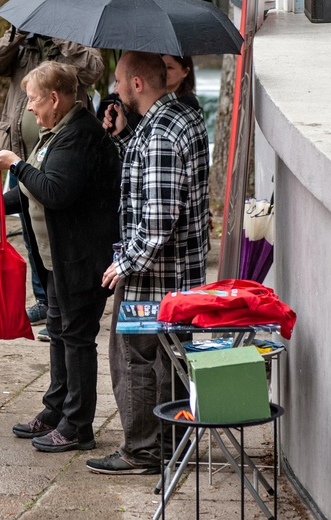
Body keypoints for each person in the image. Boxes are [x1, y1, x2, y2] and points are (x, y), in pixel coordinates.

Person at [0, 61, 120, 453]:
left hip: (81, 259)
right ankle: (56, 409)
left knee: (77, 340)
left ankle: (78, 427)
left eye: (32, 100)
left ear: (55, 99)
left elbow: (54, 191)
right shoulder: (55, 132)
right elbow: (30, 191)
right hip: (56, 260)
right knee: (59, 334)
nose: (28, 108)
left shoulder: (80, 135)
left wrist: (17, 164)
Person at [85, 51, 210, 474]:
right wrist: (120, 137)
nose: (115, 88)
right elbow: (150, 177)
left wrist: (126, 263)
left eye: (120, 80)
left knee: (133, 360)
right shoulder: (179, 117)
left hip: (154, 277)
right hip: (179, 273)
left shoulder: (158, 133)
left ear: (138, 83)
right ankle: (171, 443)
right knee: (170, 360)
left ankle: (142, 451)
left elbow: (158, 219)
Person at [0, 0, 105, 333]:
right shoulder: (21, 42)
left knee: (58, 221)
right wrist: (16, 33)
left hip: (64, 147)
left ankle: (64, 293)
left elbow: (94, 70)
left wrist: (60, 33)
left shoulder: (73, 34)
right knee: (32, 223)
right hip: (21, 147)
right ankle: (44, 297)